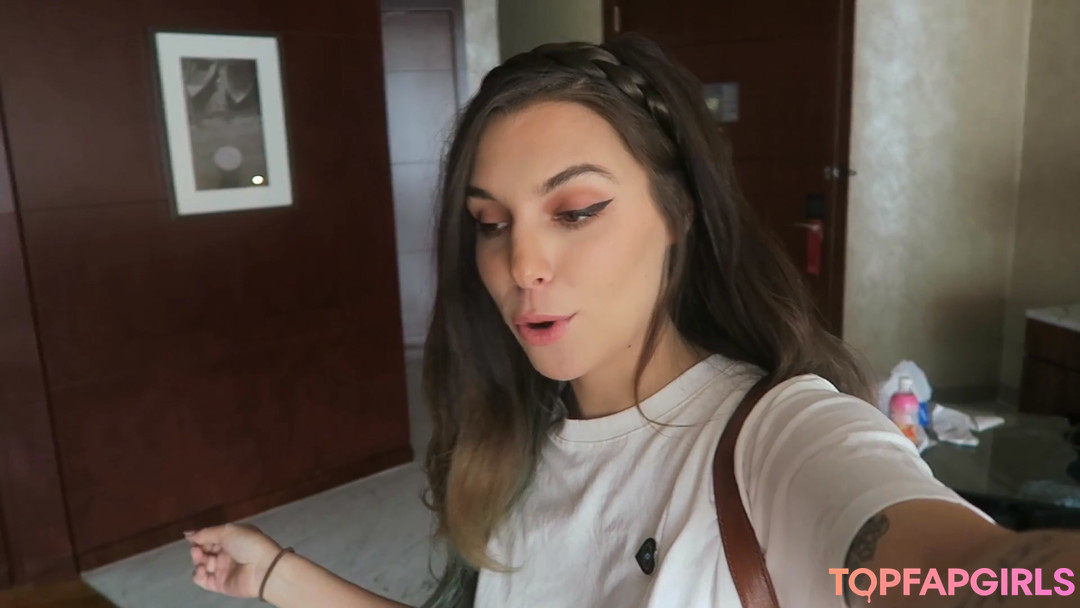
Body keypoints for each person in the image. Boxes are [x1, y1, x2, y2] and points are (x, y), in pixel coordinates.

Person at [185, 35, 1080, 607]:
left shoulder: (776, 438)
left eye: (576, 211)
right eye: (490, 224)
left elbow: (975, 574)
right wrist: (277, 575)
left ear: (678, 213)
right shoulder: (515, 442)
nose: (521, 264)